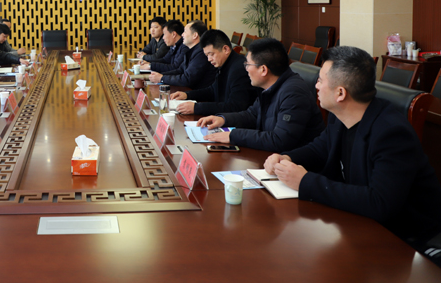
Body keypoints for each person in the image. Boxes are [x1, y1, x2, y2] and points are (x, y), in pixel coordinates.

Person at [264, 46, 441, 266]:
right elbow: (321, 148)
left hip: (403, 240)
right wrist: (286, 158)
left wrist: (305, 182)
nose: (316, 85)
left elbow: (380, 203)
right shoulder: (340, 115)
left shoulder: (392, 133)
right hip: (356, 221)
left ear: (340, 93)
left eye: (320, 80)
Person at [196, 38, 324, 151]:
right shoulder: (270, 86)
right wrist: (223, 119)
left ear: (263, 69)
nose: (246, 69)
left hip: (294, 164)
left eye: (248, 64)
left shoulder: (293, 93)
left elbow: (279, 140)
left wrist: (232, 135)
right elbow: (252, 115)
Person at [171, 29, 259, 115]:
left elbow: (235, 107)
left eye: (211, 54)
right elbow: (213, 90)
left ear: (226, 49)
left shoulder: (239, 69)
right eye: (207, 55)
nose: (209, 59)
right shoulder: (224, 64)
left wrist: (196, 108)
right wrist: (187, 95)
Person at [149, 21, 216, 89]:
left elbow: (187, 79)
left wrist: (162, 78)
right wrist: (160, 76)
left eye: (185, 32)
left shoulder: (201, 53)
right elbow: (180, 70)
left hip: (199, 94)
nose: (182, 34)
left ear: (195, 35)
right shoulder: (192, 50)